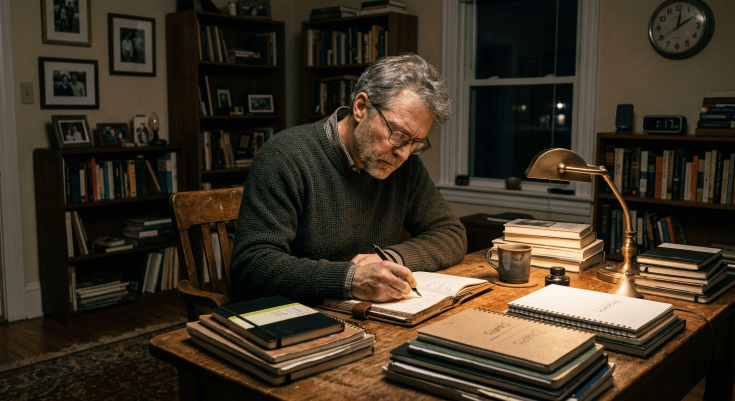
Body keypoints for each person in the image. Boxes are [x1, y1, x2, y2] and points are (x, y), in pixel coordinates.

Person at [230, 53, 466, 305]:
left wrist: (390, 258)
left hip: (364, 315)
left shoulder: (404, 167)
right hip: (289, 315)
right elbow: (252, 265)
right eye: (398, 134)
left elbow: (450, 233)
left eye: (416, 143)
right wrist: (350, 278)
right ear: (361, 108)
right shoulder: (285, 156)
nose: (404, 153)